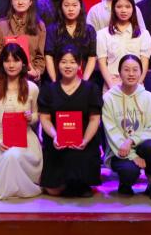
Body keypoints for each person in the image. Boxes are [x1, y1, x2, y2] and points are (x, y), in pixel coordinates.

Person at [39, 46, 103, 197]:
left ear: (79, 65)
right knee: (53, 191)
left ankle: (78, 183)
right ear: (57, 64)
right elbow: (45, 119)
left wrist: (85, 140)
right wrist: (55, 136)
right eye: (63, 62)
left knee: (78, 166)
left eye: (72, 62)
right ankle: (71, 184)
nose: (68, 66)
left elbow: (94, 120)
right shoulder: (49, 89)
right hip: (57, 143)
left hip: (83, 143)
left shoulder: (91, 89)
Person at [0, 43, 42, 199]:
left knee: (13, 155)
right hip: (2, 142)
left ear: (23, 63)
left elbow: (38, 115)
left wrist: (31, 117)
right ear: (1, 63)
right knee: (9, 155)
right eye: (7, 61)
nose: (11, 65)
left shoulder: (32, 88)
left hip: (26, 141)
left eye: (16, 60)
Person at [102, 54, 151, 200]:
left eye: (135, 70)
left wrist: (132, 140)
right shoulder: (109, 98)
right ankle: (125, 184)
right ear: (119, 72)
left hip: (141, 145)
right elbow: (111, 131)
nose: (131, 74)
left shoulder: (149, 98)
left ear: (141, 72)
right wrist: (132, 156)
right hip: (118, 149)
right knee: (130, 171)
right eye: (126, 70)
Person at [96, 0, 151, 90]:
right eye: (119, 7)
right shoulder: (103, 34)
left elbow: (144, 62)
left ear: (133, 9)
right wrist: (111, 85)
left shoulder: (143, 34)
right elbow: (102, 63)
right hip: (111, 84)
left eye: (127, 7)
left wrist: (137, 84)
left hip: (136, 85)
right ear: (113, 9)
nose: (123, 10)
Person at [0, 0, 47, 80]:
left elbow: (40, 56)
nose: (20, 2)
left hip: (29, 79)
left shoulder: (39, 26)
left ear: (30, 2)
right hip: (5, 79)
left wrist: (36, 72)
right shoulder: (1, 25)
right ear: (11, 2)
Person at [45, 0, 97, 84]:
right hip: (58, 80)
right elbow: (49, 56)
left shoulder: (89, 30)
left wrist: (84, 82)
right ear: (61, 7)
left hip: (83, 79)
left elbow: (92, 57)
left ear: (80, 7)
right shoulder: (52, 29)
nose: (70, 9)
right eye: (66, 5)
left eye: (74, 5)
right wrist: (54, 82)